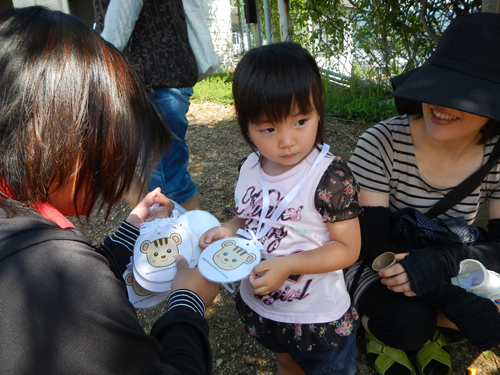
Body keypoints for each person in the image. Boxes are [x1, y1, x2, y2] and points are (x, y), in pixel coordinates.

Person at [0, 7, 219, 374]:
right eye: (112, 151)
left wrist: (131, 229)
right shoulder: (64, 280)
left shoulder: (21, 232)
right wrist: (188, 300)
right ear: (56, 136)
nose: (116, 173)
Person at [346, 12, 500, 375]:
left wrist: (443, 264)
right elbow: (371, 245)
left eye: (463, 98)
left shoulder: (497, 157)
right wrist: (447, 296)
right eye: (439, 88)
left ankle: (434, 327)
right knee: (409, 326)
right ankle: (378, 333)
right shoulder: (381, 142)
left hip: (449, 256)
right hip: (379, 262)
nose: (441, 105)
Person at [199, 42, 362, 375]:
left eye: (301, 121)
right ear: (246, 128)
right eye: (269, 129)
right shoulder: (250, 167)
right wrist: (229, 229)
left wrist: (289, 265)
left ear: (319, 112)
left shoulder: (330, 177)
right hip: (262, 305)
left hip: (316, 316)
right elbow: (250, 215)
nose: (287, 140)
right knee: (285, 361)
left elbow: (348, 249)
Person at [93, 0, 201, 210]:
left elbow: (121, 16)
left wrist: (98, 61)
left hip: (153, 79)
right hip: (156, 77)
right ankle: (161, 228)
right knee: (128, 163)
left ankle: (188, 239)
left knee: (166, 178)